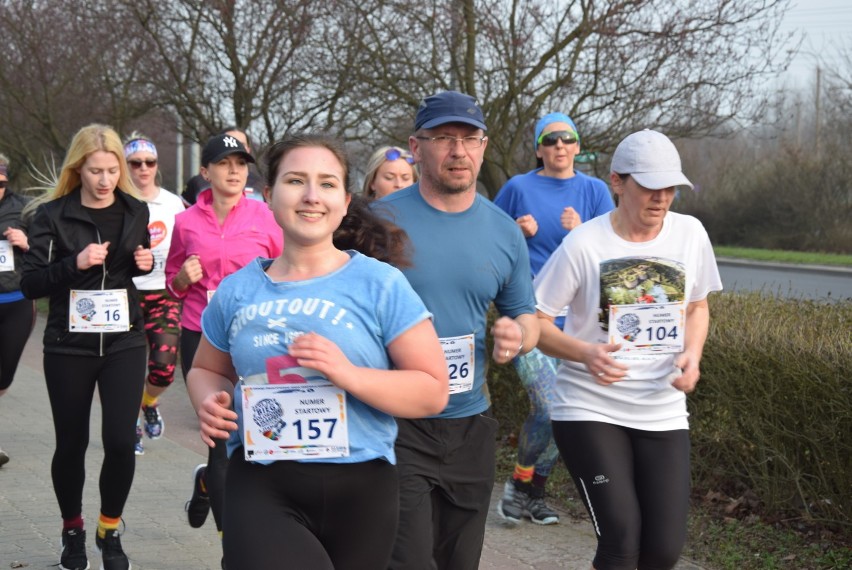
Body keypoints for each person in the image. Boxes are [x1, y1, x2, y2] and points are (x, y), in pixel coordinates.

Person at [186, 133, 448, 569]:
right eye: (295, 181)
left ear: (345, 201)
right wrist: (208, 400)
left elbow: (432, 390)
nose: (311, 196)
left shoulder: (380, 284)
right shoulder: (237, 291)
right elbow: (204, 370)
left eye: (326, 184)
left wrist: (347, 373)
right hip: (262, 479)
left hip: (363, 487)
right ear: (269, 195)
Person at [533, 129, 722, 570]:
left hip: (662, 409)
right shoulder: (584, 244)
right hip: (588, 408)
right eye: (649, 187)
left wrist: (692, 354)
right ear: (617, 182)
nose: (661, 198)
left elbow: (697, 306)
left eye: (670, 188)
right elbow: (535, 323)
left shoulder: (690, 234)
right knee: (621, 536)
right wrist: (585, 353)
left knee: (662, 550)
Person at [377, 91, 540, 570]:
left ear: (484, 147)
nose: (458, 150)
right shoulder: (376, 223)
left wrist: (518, 335)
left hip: (471, 422)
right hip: (395, 422)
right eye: (444, 138)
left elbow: (525, 315)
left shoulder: (504, 230)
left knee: (460, 561)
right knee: (407, 560)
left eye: (469, 139)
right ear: (417, 147)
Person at [20, 124, 154, 570]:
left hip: (124, 341)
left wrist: (145, 263)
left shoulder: (136, 210)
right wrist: (74, 263)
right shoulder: (51, 216)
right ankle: (73, 529)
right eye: (95, 171)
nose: (105, 180)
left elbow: (132, 269)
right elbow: (31, 282)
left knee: (119, 440)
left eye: (112, 170)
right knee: (71, 444)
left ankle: (109, 530)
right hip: (68, 345)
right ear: (78, 170)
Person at [492, 112, 614, 525]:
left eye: (567, 139)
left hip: (578, 324)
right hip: (528, 317)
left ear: (578, 146)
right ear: (539, 149)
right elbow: (486, 238)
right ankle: (519, 484)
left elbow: (615, 255)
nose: (559, 146)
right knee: (547, 404)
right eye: (550, 140)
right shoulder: (517, 188)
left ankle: (533, 492)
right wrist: (514, 230)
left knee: (570, 411)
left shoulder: (595, 191)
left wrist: (587, 230)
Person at [165, 132, 283, 556]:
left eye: (240, 163)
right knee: (220, 441)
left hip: (256, 336)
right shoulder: (185, 223)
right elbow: (172, 281)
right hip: (203, 335)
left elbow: (288, 271)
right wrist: (181, 280)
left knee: (261, 434)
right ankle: (230, 545)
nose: (234, 171)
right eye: (224, 163)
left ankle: (236, 503)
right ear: (206, 171)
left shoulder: (265, 217)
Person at [123, 133, 186, 455]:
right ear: (126, 165)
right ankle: (130, 424)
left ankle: (149, 402)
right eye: (135, 163)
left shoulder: (173, 203)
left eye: (149, 162)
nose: (143, 169)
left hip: (164, 292)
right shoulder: (118, 200)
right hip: (126, 295)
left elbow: (188, 243)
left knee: (163, 368)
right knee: (129, 368)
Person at [0, 153, 36, 467]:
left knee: (4, 376)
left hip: (16, 303)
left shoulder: (23, 207)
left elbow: (48, 251)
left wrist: (26, 242)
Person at [181, 127, 264, 206]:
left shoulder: (259, 184)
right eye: (223, 163)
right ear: (205, 172)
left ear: (248, 149)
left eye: (241, 143)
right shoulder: (197, 183)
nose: (234, 145)